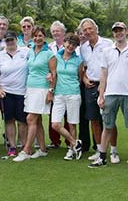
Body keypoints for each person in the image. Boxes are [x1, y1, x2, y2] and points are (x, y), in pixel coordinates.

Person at [89, 22, 128, 173]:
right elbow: (103, 75)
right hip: (110, 93)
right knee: (108, 125)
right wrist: (101, 95)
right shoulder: (107, 51)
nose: (118, 33)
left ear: (126, 32)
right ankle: (102, 157)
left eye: (121, 30)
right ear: (113, 33)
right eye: (115, 31)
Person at [13, 26, 57, 162]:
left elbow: (54, 74)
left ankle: (26, 150)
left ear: (45, 37)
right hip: (30, 89)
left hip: (42, 89)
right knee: (36, 120)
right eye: (35, 36)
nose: (38, 38)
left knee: (30, 119)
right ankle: (43, 149)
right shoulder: (30, 51)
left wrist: (50, 91)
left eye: (40, 36)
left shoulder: (49, 54)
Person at [79, 18, 117, 163]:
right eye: (85, 30)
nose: (88, 32)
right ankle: (100, 149)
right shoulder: (83, 47)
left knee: (108, 119)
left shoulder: (107, 43)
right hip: (90, 86)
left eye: (90, 28)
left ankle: (113, 150)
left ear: (96, 28)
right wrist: (84, 78)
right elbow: (84, 67)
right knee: (94, 119)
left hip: (106, 86)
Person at [0, 31, 29, 157]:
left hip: (22, 92)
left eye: (12, 39)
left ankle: (24, 145)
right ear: (4, 42)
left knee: (22, 121)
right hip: (6, 92)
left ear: (16, 39)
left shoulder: (25, 52)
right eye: (7, 40)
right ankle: (12, 146)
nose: (10, 42)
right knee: (9, 120)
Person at [52, 33, 84, 161]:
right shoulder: (56, 57)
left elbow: (80, 78)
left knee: (72, 124)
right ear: (64, 43)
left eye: (74, 44)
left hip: (73, 94)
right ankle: (76, 143)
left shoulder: (78, 60)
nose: (71, 46)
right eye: (69, 43)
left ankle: (71, 149)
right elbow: (53, 73)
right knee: (55, 124)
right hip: (58, 94)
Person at [48, 20, 71, 148]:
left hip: (66, 84)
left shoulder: (69, 46)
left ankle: (69, 141)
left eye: (58, 31)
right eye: (54, 31)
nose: (56, 33)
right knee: (53, 113)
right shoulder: (50, 47)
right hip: (53, 83)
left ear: (63, 32)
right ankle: (54, 140)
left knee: (68, 114)